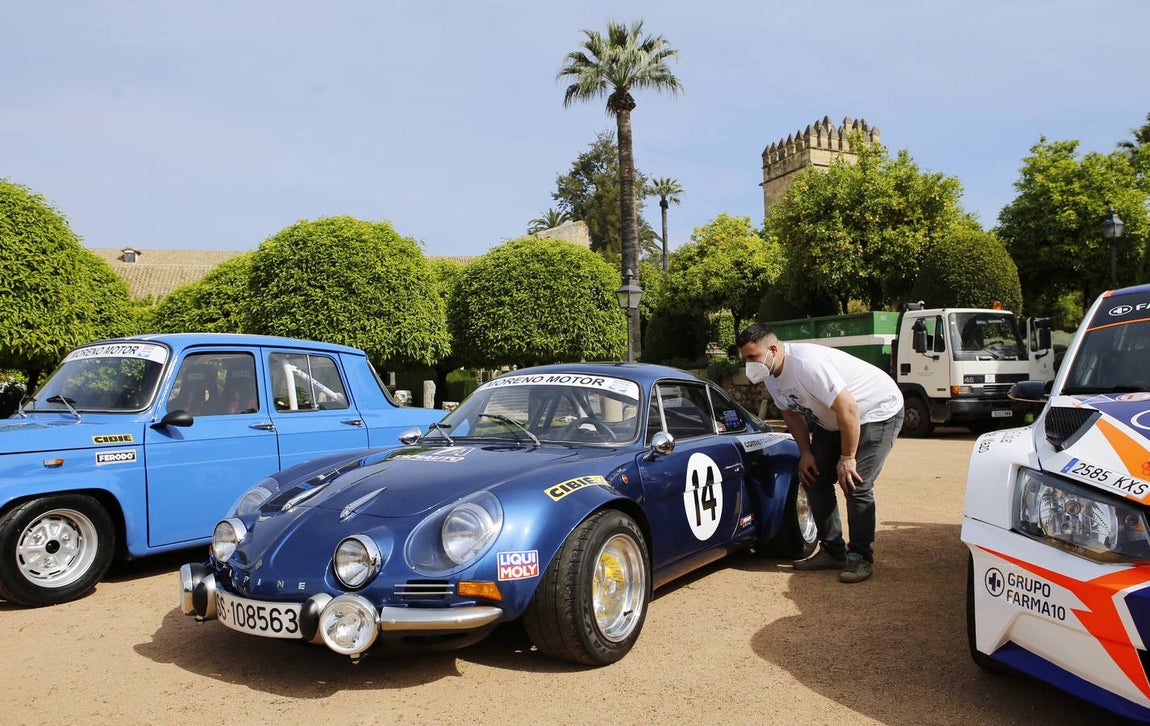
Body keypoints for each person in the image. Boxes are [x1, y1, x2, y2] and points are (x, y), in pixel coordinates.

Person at [736, 323, 904, 583]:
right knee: (812, 476)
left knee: (855, 483)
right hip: (834, 420)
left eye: (752, 357)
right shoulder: (769, 373)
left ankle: (860, 556)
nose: (749, 365)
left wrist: (848, 458)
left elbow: (848, 408)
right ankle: (832, 550)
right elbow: (790, 413)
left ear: (772, 348)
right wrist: (806, 453)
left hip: (875, 411)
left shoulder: (806, 365)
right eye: (745, 359)